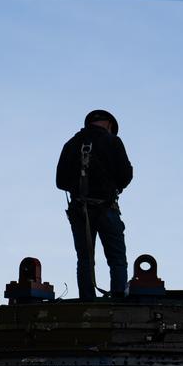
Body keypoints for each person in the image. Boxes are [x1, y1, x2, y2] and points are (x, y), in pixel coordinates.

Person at [55, 109, 133, 300]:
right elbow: (126, 174)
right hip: (106, 207)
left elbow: (60, 181)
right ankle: (118, 299)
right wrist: (111, 187)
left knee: (85, 259)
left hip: (80, 210)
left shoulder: (71, 144)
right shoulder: (112, 141)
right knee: (117, 259)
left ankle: (87, 300)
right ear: (108, 124)